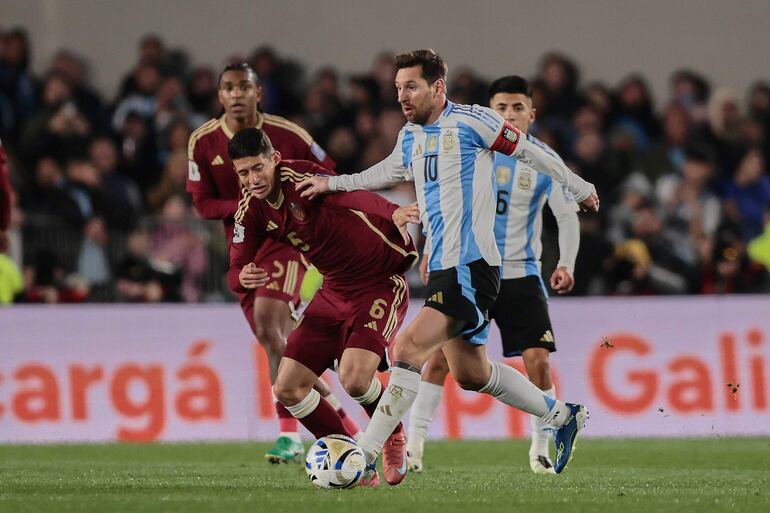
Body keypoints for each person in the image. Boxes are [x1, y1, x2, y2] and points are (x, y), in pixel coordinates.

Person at [298, 49, 599, 484]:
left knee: (406, 351)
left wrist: (577, 185)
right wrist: (334, 183)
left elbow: (531, 151)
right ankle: (559, 414)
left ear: (438, 87)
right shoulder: (411, 135)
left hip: (470, 265)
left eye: (412, 86)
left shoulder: (473, 121)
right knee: (472, 373)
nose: (403, 96)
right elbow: (385, 171)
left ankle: (363, 453)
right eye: (398, 87)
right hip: (442, 265)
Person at [406, 76, 580, 475]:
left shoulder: (541, 159)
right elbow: (441, 203)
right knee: (438, 360)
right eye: (500, 108)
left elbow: (566, 214)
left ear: (531, 114)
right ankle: (414, 446)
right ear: (489, 112)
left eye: (517, 107)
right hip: (471, 268)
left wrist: (566, 261)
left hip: (520, 273)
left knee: (537, 360)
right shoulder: (471, 148)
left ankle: (539, 449)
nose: (508, 114)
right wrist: (431, 248)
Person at [186, 62, 358, 463]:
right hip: (244, 247)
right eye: (228, 87)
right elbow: (202, 204)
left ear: (258, 93)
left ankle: (290, 435)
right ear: (220, 96)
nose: (237, 94)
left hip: (288, 240)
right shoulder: (203, 142)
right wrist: (250, 204)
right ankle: (347, 428)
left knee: (269, 324)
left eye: (244, 86)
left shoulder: (288, 133)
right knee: (275, 342)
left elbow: (328, 173)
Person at [227, 127, 418, 486]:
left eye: (257, 168)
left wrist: (391, 210)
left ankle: (392, 434)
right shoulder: (250, 210)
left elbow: (348, 194)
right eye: (243, 173)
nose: (252, 179)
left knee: (356, 380)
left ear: (275, 160)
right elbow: (234, 268)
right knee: (287, 387)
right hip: (332, 290)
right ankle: (351, 456)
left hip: (378, 281)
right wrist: (243, 276)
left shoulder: (300, 178)